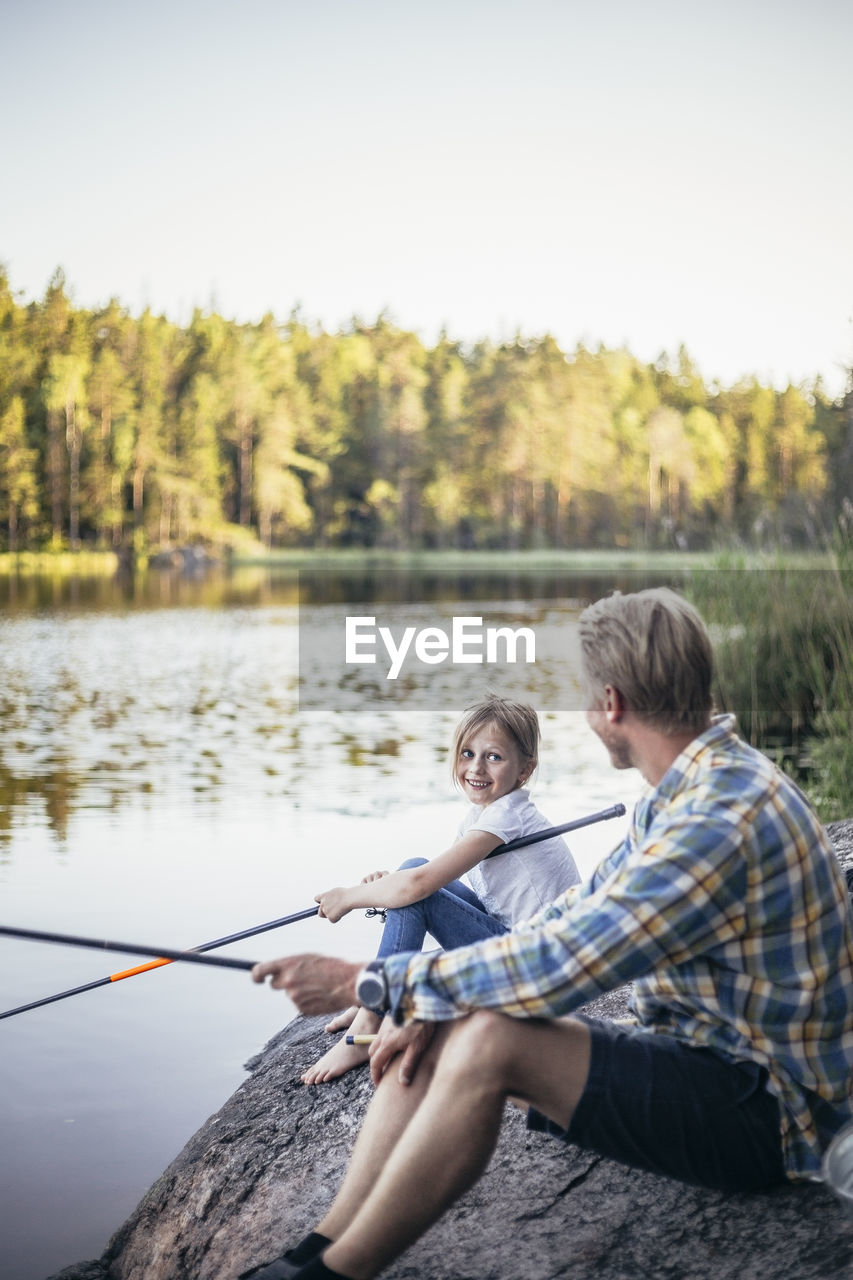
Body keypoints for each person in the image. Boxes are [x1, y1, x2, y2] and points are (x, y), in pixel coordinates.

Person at [244, 588, 853, 1280]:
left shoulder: (716, 819)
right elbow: (572, 913)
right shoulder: (692, 785)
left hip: (764, 1111)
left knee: (488, 1037)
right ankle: (318, 1248)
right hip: (703, 1056)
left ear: (612, 704)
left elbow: (567, 962)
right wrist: (430, 998)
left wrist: (373, 981)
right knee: (446, 1013)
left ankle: (335, 1274)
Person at [302, 693, 581, 1084]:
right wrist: (387, 885)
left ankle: (373, 1015)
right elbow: (428, 878)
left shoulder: (507, 816)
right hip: (524, 948)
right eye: (467, 753)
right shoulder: (483, 815)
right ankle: (380, 996)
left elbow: (420, 887)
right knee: (411, 872)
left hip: (538, 971)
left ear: (524, 769)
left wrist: (350, 898)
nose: (476, 768)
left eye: (494, 757)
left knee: (414, 883)